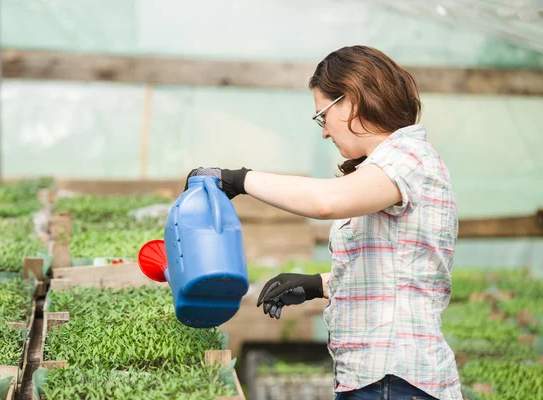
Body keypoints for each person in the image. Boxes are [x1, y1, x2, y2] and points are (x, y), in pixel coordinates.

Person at [185, 45, 462, 400]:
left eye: (322, 116)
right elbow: (398, 270)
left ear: (350, 101)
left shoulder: (408, 157)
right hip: (381, 380)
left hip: (394, 379)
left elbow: (325, 202)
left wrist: (239, 179)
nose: (325, 133)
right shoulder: (391, 165)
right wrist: (317, 285)